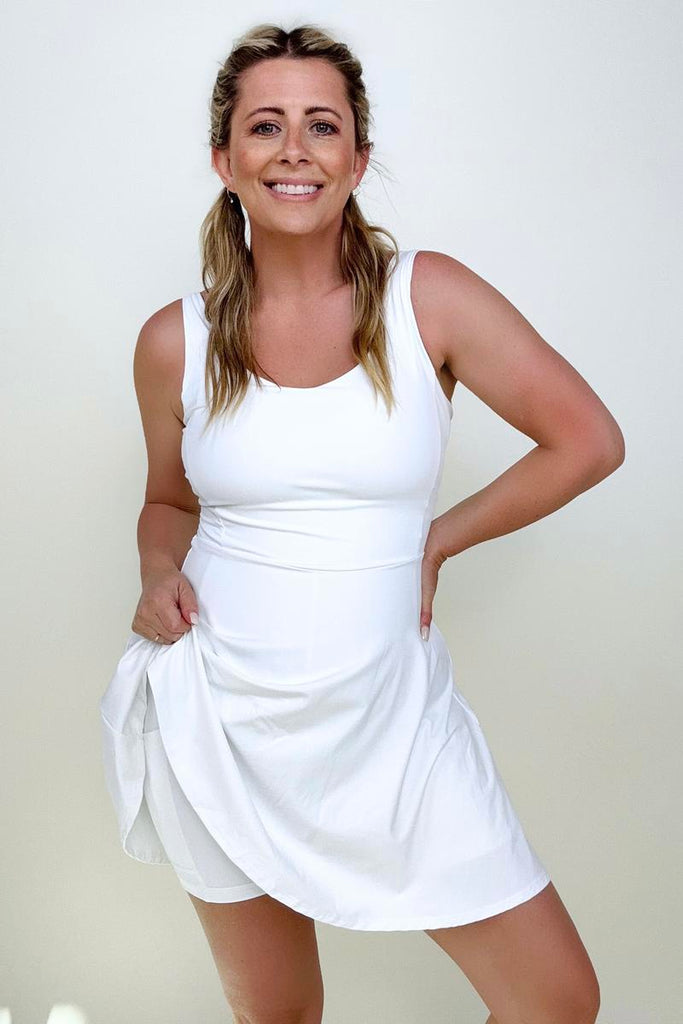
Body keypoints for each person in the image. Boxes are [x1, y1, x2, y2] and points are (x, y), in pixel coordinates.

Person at [99, 22, 624, 1024]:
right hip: (219, 713)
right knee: (280, 1014)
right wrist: (157, 573)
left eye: (321, 125)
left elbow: (587, 440)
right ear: (224, 159)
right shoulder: (175, 339)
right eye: (265, 125)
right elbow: (168, 501)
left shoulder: (430, 299)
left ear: (357, 156)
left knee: (555, 999)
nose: (293, 149)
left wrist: (440, 538)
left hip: (394, 717)